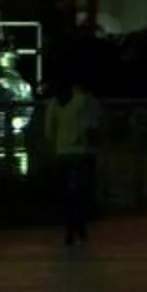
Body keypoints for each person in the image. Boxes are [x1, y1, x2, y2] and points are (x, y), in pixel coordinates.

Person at [43, 73, 100, 245]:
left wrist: (52, 149)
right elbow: (93, 126)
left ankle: (70, 228)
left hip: (63, 153)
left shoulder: (53, 104)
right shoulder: (84, 101)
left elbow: (48, 131)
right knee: (82, 192)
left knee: (66, 193)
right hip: (83, 152)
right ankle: (79, 225)